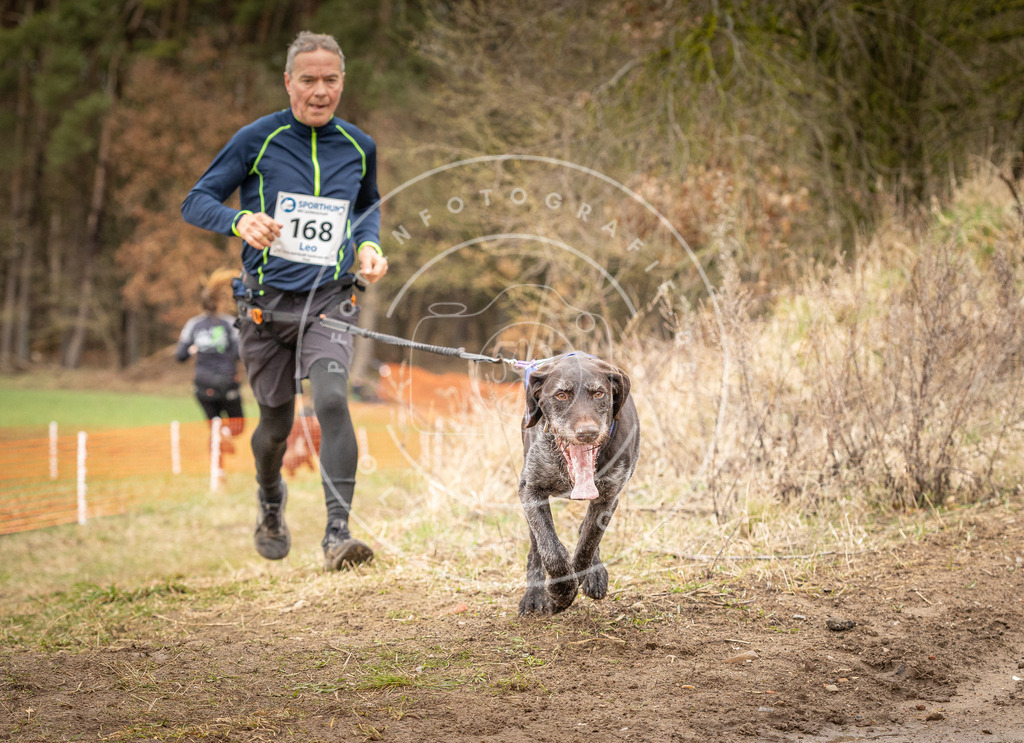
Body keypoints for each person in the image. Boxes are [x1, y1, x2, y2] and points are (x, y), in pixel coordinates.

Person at [181, 30, 388, 570]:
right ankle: (271, 501)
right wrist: (239, 219)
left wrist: (369, 246)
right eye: (308, 80)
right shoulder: (258, 139)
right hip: (265, 308)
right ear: (289, 82)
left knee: (332, 401)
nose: (320, 91)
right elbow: (195, 200)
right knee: (274, 427)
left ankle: (337, 535)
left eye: (331, 80)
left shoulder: (359, 145)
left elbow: (369, 208)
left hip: (330, 299)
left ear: (342, 81)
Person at [175, 268, 246, 453]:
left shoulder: (193, 325)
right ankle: (224, 435)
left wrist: (195, 350)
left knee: (214, 428)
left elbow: (180, 356)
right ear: (221, 303)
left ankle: (218, 470)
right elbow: (240, 353)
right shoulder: (230, 324)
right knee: (237, 427)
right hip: (227, 382)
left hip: (202, 384)